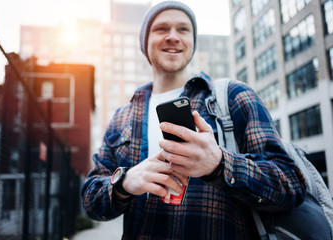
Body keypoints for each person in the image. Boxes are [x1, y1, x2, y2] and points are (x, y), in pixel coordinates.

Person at [81, 1, 306, 239]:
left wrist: (220, 165)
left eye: (183, 29)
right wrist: (124, 183)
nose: (173, 37)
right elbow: (91, 201)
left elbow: (289, 186)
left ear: (193, 42)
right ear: (144, 43)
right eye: (161, 29)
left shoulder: (233, 97)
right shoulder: (122, 117)